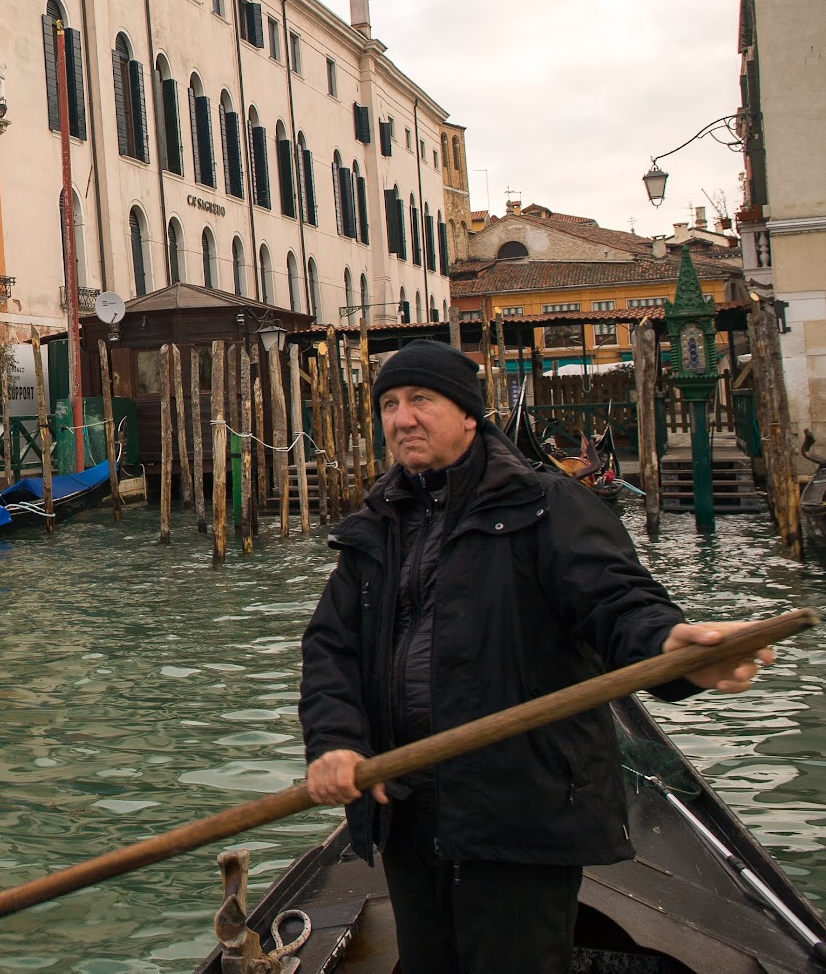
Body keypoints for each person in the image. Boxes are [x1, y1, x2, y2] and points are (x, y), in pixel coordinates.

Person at [298, 339, 772, 974]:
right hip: (405, 808)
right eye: (389, 404)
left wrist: (672, 648)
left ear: (469, 414)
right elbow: (331, 648)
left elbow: (617, 604)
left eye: (421, 400)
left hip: (518, 809)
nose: (401, 418)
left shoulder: (546, 505)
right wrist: (336, 742)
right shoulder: (376, 527)